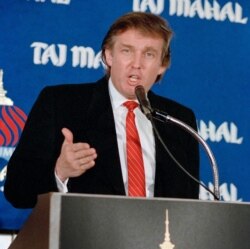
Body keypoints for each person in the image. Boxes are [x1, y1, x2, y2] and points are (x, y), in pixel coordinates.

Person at [4, 12, 199, 209]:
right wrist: (60, 171)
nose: (137, 64)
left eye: (149, 54)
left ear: (162, 66)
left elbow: (188, 205)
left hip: (159, 237)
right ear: (108, 56)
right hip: (84, 237)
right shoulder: (61, 103)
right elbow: (16, 190)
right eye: (127, 51)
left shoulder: (180, 120)